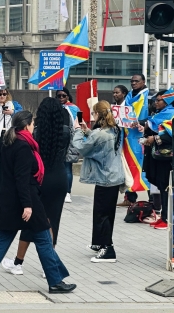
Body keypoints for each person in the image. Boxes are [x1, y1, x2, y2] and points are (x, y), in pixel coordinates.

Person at [0, 111, 76, 294]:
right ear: (27, 125)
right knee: (44, 238)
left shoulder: (8, 142)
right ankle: (55, 281)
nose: (34, 126)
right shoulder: (23, 147)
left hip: (9, 201)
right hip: (26, 200)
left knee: (3, 239)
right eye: (32, 124)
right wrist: (27, 205)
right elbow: (22, 179)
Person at [1, 97, 71, 275]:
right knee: (53, 222)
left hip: (40, 178)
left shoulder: (36, 132)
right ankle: (50, 266)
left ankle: (18, 262)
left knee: (31, 221)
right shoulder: (65, 131)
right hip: (60, 178)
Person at [72, 101, 124, 263]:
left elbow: (82, 147)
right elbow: (96, 140)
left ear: (99, 115)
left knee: (103, 214)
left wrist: (77, 131)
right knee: (104, 212)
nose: (92, 117)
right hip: (113, 176)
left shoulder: (100, 134)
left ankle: (108, 248)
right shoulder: (114, 129)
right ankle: (99, 243)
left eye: (93, 114)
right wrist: (87, 131)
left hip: (105, 178)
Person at [138, 89, 174, 230]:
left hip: (167, 157)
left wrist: (154, 138)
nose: (155, 103)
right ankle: (164, 217)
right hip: (156, 156)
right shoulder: (158, 114)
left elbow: (171, 135)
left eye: (158, 100)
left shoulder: (173, 114)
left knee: (166, 187)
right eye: (155, 100)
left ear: (167, 101)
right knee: (161, 186)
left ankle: (167, 219)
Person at [123, 74, 150, 204]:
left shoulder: (150, 96)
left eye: (136, 81)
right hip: (129, 138)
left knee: (147, 169)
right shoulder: (128, 96)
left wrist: (141, 122)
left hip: (144, 138)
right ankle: (130, 198)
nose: (133, 83)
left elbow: (154, 117)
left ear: (143, 82)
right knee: (129, 167)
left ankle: (154, 201)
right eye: (131, 81)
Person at [56, 88, 80, 204]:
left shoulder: (75, 108)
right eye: (59, 96)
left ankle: (67, 192)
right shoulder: (53, 108)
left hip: (70, 141)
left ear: (68, 96)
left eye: (63, 96)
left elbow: (81, 123)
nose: (61, 98)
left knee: (67, 167)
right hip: (56, 141)